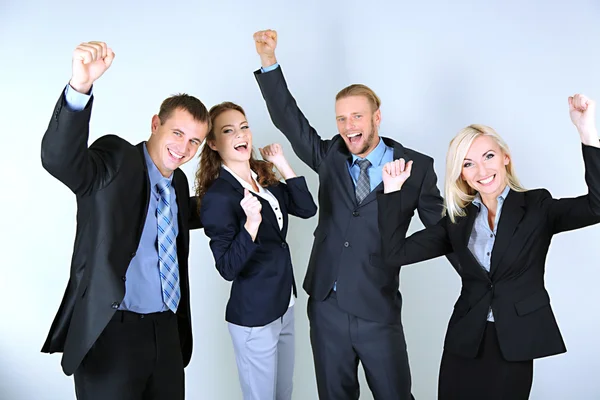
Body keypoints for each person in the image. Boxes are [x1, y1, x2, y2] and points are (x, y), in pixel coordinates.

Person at [252, 29, 459, 399]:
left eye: (357, 117)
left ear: (377, 117)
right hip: (326, 306)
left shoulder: (416, 167)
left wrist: (483, 277)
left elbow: (443, 230)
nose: (349, 127)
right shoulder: (330, 156)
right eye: (342, 119)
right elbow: (290, 121)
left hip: (377, 307)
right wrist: (269, 62)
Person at [377, 94, 600, 399]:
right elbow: (394, 254)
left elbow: (597, 206)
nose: (481, 171)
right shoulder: (457, 220)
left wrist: (587, 133)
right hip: (465, 341)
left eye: (488, 157)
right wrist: (392, 193)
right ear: (462, 175)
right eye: (468, 164)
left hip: (515, 341)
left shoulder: (537, 206)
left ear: (505, 156)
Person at [40, 41, 210, 400]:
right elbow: (61, 161)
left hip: (166, 333)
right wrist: (79, 88)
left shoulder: (177, 183)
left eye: (195, 141)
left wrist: (244, 191)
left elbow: (182, 216)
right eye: (177, 133)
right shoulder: (115, 162)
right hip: (111, 332)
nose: (184, 148)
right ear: (155, 124)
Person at [196, 101, 317, 400]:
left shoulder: (264, 179)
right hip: (254, 316)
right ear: (213, 143)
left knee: (283, 393)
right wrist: (250, 225)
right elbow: (227, 267)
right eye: (228, 130)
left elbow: (307, 208)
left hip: (284, 304)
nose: (241, 135)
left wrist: (282, 163)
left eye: (244, 126)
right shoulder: (218, 196)